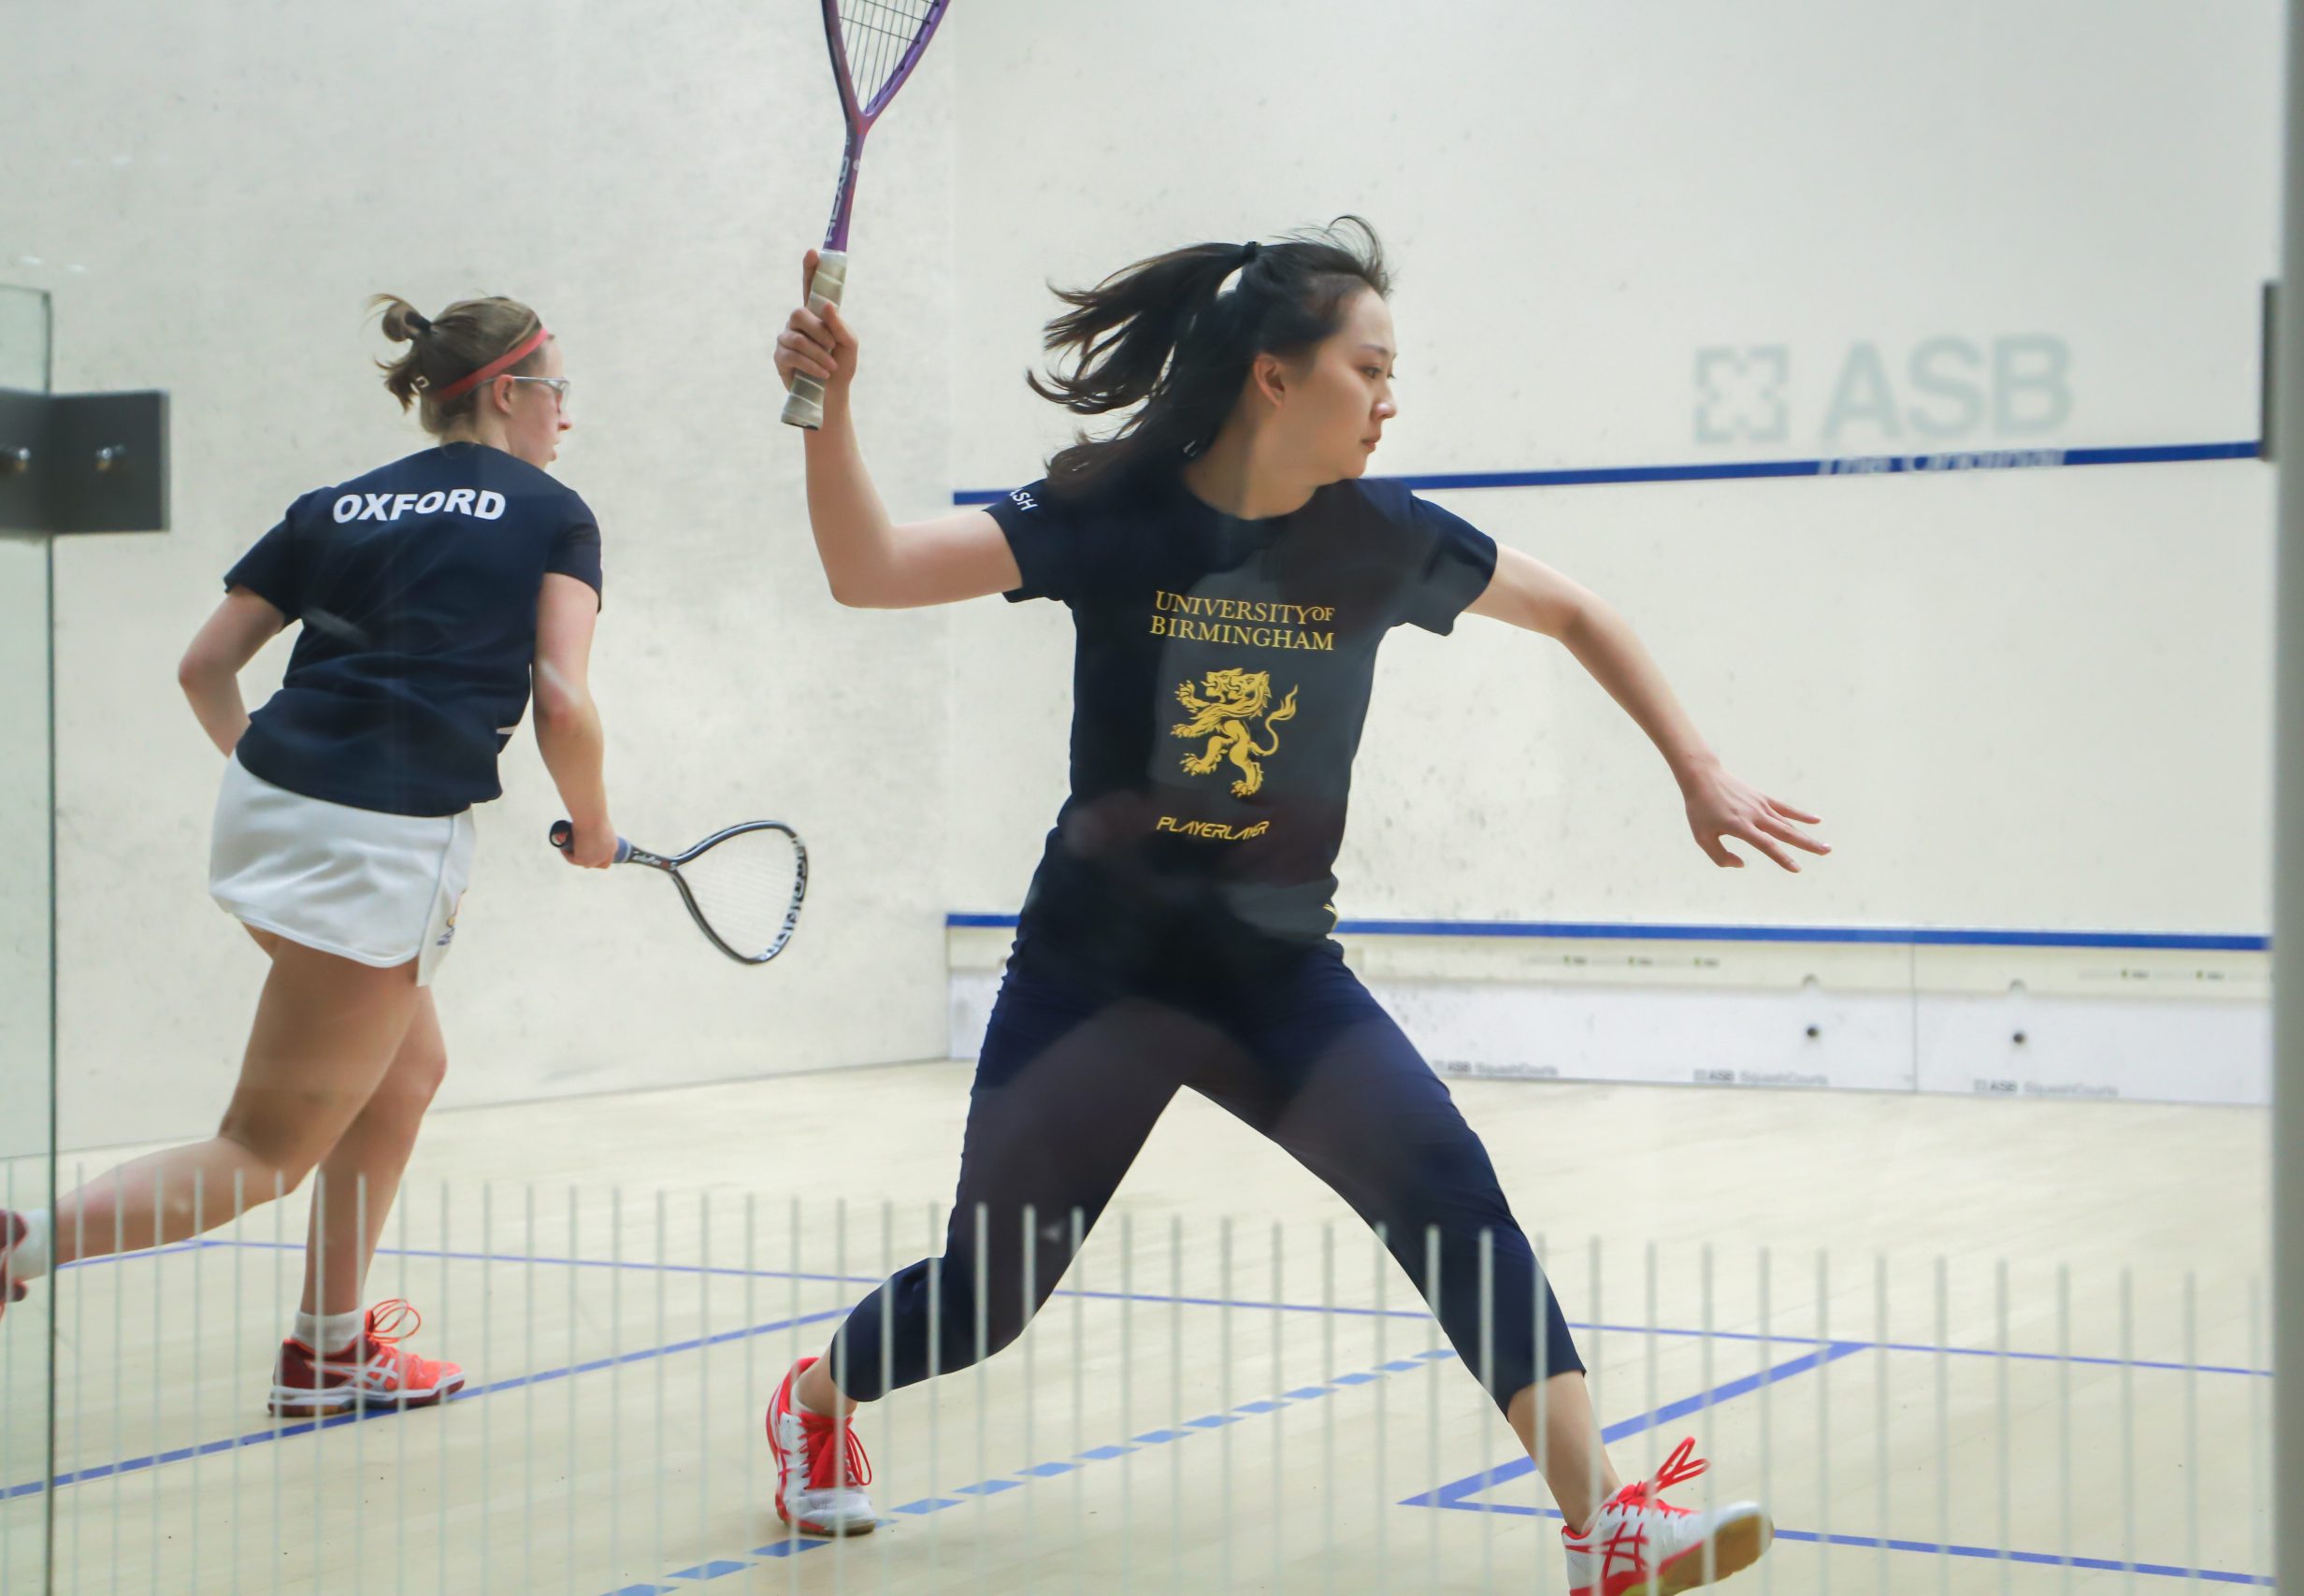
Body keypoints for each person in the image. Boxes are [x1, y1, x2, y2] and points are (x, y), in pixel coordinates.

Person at [763, 219, 1825, 1594]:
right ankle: (820, 1397)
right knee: (985, 1298)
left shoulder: (1382, 538)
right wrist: (829, 412)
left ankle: (1604, 1520)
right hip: (1098, 975)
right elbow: (871, 569)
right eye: (1369, 367)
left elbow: (1576, 612)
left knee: (1448, 1188)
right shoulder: (1113, 514)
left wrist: (1700, 766)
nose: (1392, 397)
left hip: (1274, 972)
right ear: (1276, 376)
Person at [1, 294, 618, 1419]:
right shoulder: (553, 512)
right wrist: (597, 823)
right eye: (559, 393)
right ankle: (21, 1243)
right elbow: (563, 698)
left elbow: (203, 668)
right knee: (262, 1148)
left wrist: (276, 779)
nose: (565, 418)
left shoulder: (336, 503)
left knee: (406, 1071)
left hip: (266, 810)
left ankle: (328, 1350)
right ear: (508, 392)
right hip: (376, 846)